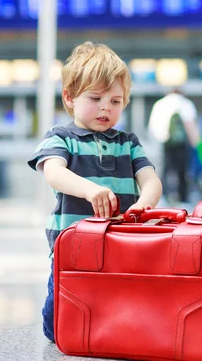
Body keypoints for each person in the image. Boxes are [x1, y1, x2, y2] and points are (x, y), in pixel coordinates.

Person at [27, 42, 162, 342]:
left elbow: (150, 180)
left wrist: (144, 204)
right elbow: (53, 171)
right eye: (96, 98)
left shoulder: (128, 142)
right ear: (70, 97)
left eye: (115, 101)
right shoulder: (61, 137)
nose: (106, 107)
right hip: (73, 249)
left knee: (120, 307)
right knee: (56, 325)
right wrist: (90, 189)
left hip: (122, 247)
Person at [148, 89, 200, 204]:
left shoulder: (160, 104)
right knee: (183, 171)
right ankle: (183, 197)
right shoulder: (185, 103)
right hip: (182, 144)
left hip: (165, 143)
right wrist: (196, 143)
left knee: (165, 170)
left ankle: (163, 195)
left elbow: (153, 126)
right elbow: (190, 124)